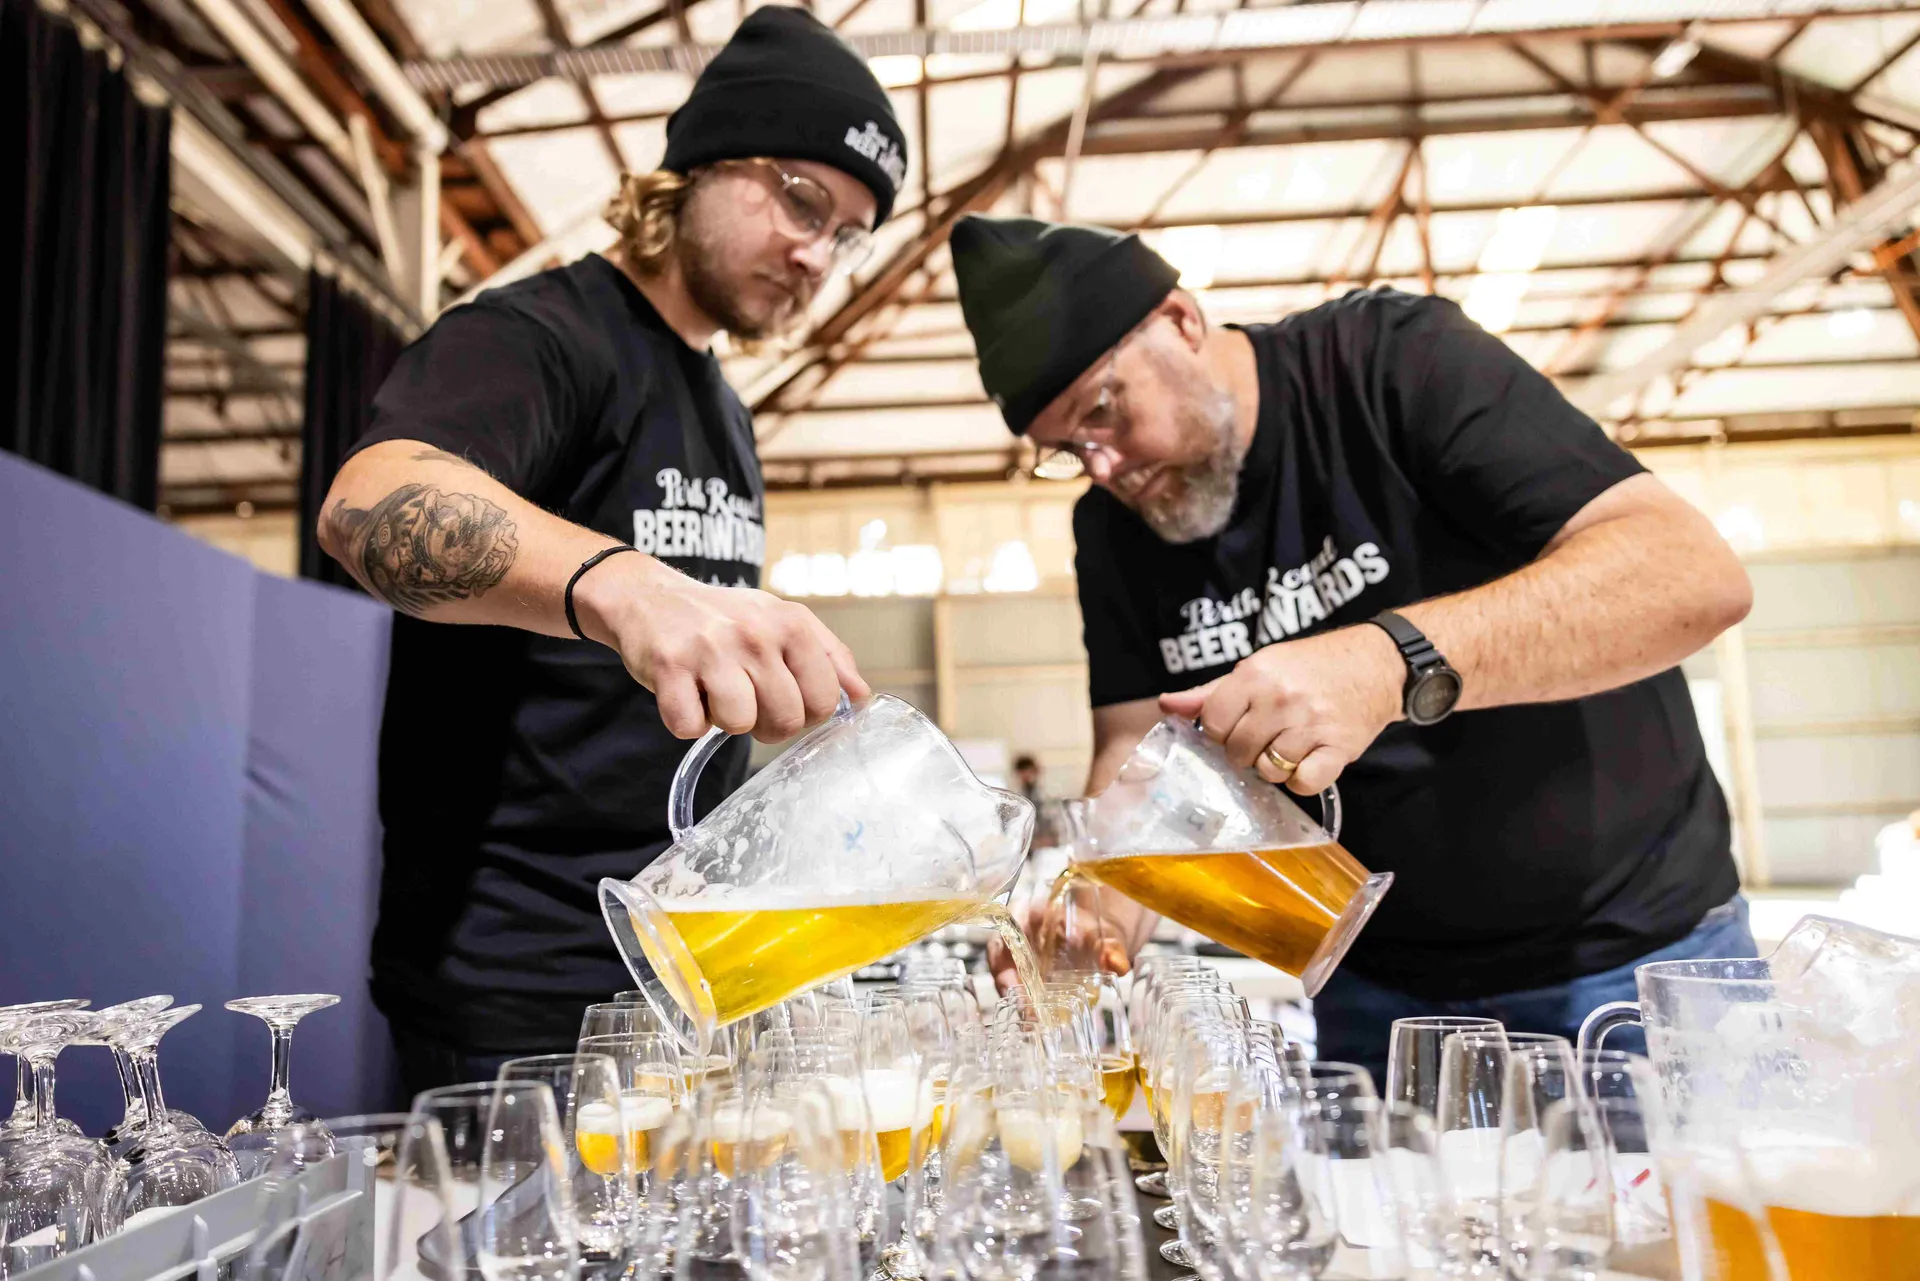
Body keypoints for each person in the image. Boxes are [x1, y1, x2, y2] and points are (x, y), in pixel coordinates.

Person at [952, 215, 1759, 1081]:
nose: (1103, 467)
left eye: (1103, 413)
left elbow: (1691, 573)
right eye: (1067, 451)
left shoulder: (1391, 364)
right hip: (1379, 994)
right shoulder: (1113, 531)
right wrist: (1102, 902)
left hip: (1631, 958)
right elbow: (1134, 745)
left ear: (1181, 322)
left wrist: (1386, 663)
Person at [316, 8, 908, 1096]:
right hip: (515, 993)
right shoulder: (544, 335)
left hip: (682, 975)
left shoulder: (725, 410)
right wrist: (619, 583)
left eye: (848, 235)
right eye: (801, 199)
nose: (817, 254)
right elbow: (367, 503)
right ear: (702, 164)